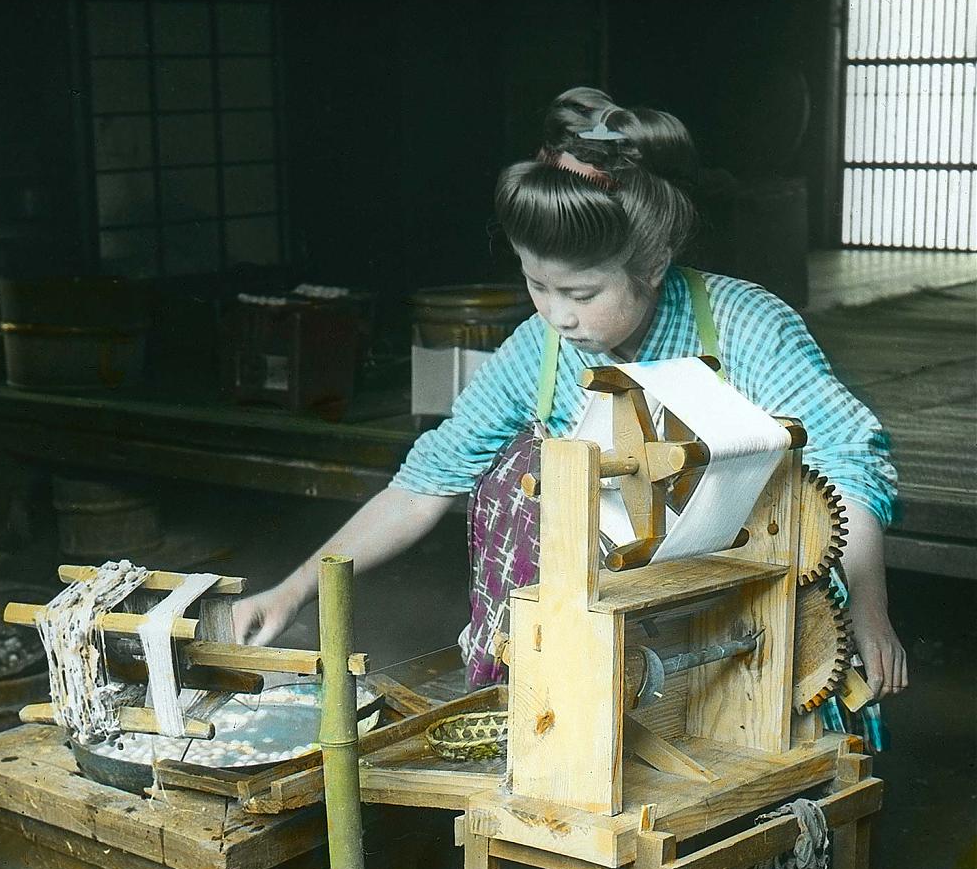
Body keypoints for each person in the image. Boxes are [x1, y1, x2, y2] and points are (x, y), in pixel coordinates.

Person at [234, 86, 907, 721]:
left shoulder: (745, 324)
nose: (559, 316)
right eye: (537, 285)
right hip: (619, 614)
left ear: (654, 262)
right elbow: (422, 488)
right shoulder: (540, 351)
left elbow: (847, 468)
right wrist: (293, 588)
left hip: (755, 605)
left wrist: (872, 615)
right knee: (513, 476)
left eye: (583, 295)